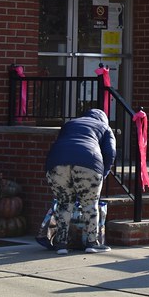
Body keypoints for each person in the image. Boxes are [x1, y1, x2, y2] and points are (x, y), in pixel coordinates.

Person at [44, 108, 116, 254]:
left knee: (64, 202)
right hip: (89, 163)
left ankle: (61, 244)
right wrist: (104, 172)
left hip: (56, 163)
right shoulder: (105, 127)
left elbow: (62, 143)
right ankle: (91, 243)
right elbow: (110, 152)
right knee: (90, 204)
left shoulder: (70, 124)